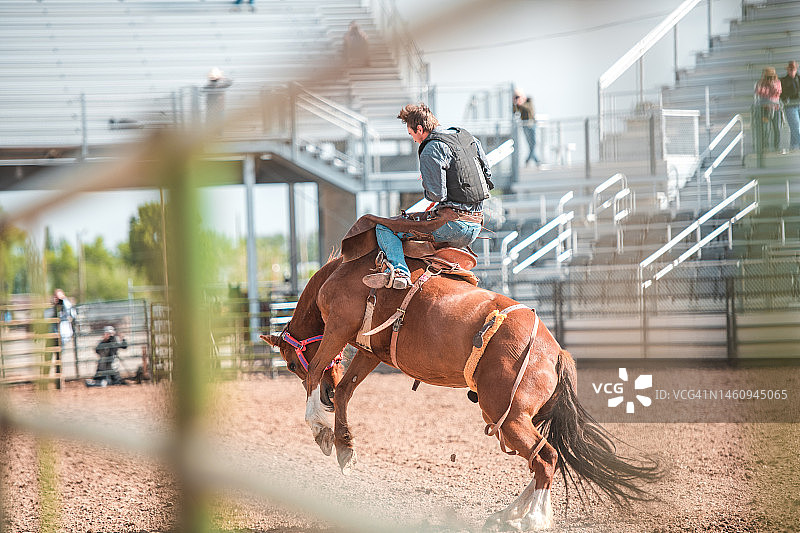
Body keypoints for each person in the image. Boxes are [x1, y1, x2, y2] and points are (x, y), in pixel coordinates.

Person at [363, 103, 492, 290]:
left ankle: (400, 272)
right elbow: (487, 176)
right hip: (477, 223)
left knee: (384, 228)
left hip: (454, 226)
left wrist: (426, 180)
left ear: (420, 129)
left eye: (411, 134)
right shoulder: (467, 137)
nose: (414, 140)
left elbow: (436, 195)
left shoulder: (431, 148)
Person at [754, 67, 782, 152]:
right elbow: (759, 92)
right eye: (767, 76)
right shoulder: (760, 83)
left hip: (776, 109)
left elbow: (778, 92)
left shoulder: (777, 82)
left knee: (777, 128)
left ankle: (777, 147)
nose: (769, 78)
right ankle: (765, 148)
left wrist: (772, 85)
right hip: (764, 110)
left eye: (771, 76)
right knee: (765, 129)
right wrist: (764, 83)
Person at [513, 89, 541, 167]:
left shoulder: (529, 101)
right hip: (525, 126)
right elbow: (514, 112)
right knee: (530, 144)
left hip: (532, 125)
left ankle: (530, 160)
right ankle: (536, 161)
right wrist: (515, 104)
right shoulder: (518, 105)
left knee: (534, 143)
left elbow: (529, 110)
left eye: (518, 96)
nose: (517, 98)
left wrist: (520, 103)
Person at [202, 67, 232, 133]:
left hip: (212, 108)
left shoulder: (209, 86)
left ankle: (213, 134)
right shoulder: (220, 86)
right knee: (217, 122)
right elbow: (229, 82)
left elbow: (203, 90)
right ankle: (217, 134)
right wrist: (222, 77)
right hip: (218, 108)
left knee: (211, 122)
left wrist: (220, 77)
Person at [780, 60, 800, 152]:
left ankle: (794, 147)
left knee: (794, 128)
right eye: (790, 70)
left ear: (796, 69)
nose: (792, 71)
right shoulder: (783, 81)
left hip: (798, 104)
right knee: (796, 126)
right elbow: (782, 94)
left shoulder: (799, 78)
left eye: (793, 69)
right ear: (787, 70)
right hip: (791, 106)